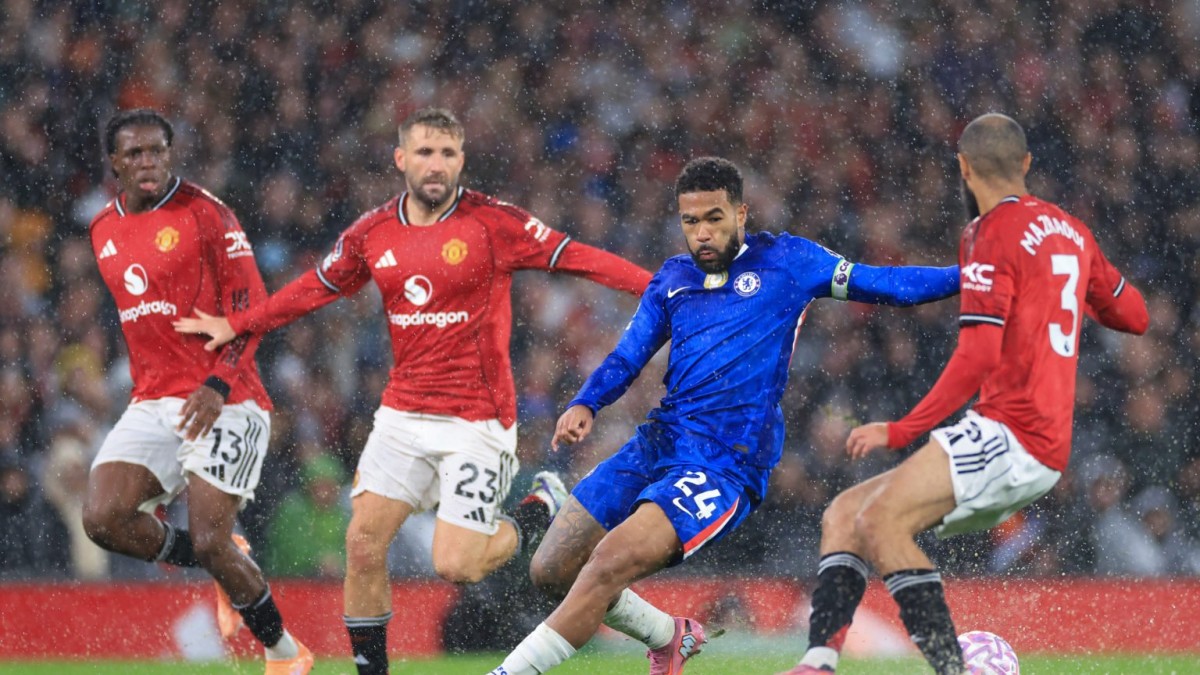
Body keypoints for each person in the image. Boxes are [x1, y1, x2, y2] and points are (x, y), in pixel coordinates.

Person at [174, 107, 652, 675]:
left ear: (461, 161)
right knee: (362, 543)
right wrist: (241, 323)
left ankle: (536, 509)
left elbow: (581, 259)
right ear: (401, 158)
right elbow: (314, 289)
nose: (436, 164)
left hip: (477, 420)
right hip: (402, 415)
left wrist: (663, 290)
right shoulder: (373, 232)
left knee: (457, 566)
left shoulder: (493, 223)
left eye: (448, 153)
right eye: (425, 152)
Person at [487, 156, 960, 675]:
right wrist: (586, 402)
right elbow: (628, 355)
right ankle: (668, 636)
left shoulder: (790, 261)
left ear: (741, 214)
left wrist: (973, 277)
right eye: (690, 221)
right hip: (660, 442)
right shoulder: (674, 278)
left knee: (606, 564)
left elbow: (887, 283)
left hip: (723, 463)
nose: (702, 234)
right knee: (551, 570)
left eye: (714, 218)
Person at [781, 114, 1149, 675]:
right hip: (1039, 441)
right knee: (845, 513)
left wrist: (901, 429)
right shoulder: (1073, 232)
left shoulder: (988, 233)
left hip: (1011, 432)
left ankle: (952, 669)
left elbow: (977, 356)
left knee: (881, 522)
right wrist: (1060, 295)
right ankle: (818, 663)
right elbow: (1135, 315)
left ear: (963, 168)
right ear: (1026, 164)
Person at [81, 109, 313, 674]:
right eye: (134, 153)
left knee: (210, 538)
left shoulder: (207, 213)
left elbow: (252, 309)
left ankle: (286, 654)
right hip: (153, 399)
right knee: (103, 518)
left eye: (156, 150)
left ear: (170, 153)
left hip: (227, 399)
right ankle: (224, 562)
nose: (147, 162)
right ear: (115, 163)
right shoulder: (102, 229)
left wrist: (217, 382)